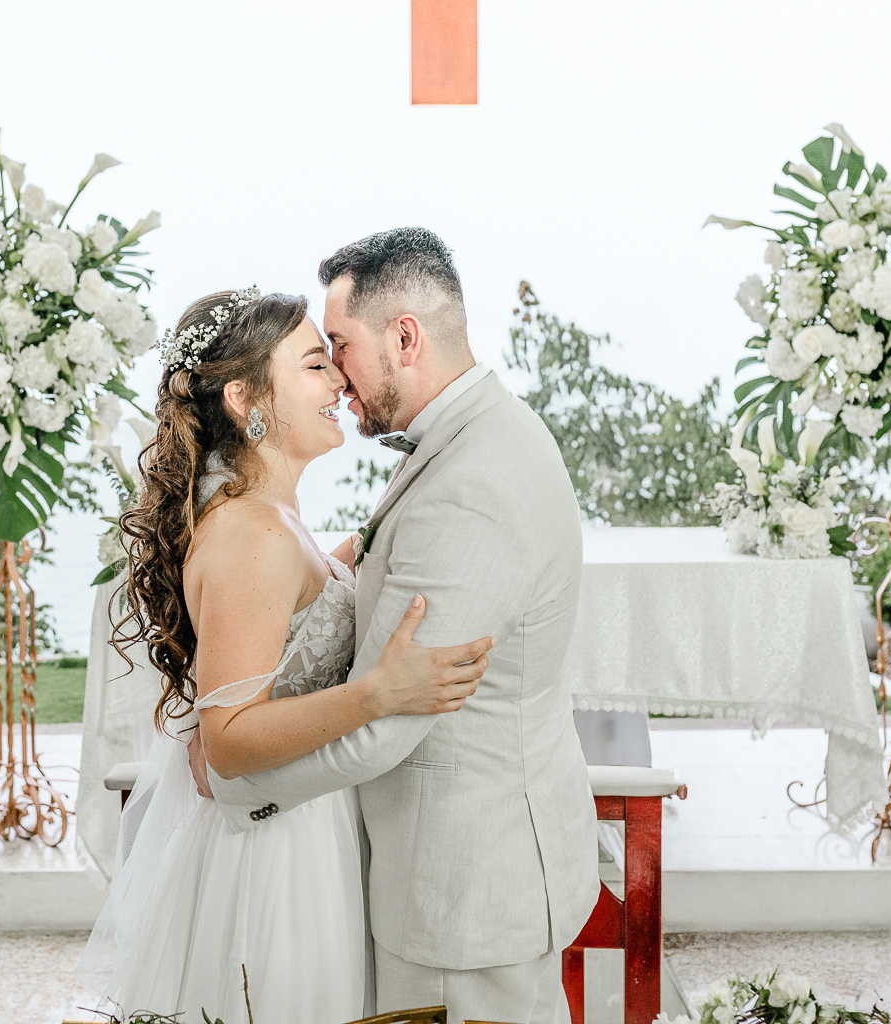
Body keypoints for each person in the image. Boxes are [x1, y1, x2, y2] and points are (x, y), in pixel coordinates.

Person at [196, 228, 601, 1024]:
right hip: (456, 866)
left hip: (462, 886)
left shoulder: (473, 481)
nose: (335, 374)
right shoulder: (474, 434)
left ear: (404, 338)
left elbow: (386, 725)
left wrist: (234, 786)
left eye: (339, 347)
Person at [75, 285, 495, 1024]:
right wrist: (379, 694)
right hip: (274, 855)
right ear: (245, 399)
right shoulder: (253, 533)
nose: (339, 381)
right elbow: (228, 740)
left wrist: (385, 535)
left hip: (305, 822)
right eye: (313, 365)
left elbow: (302, 600)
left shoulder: (269, 517)